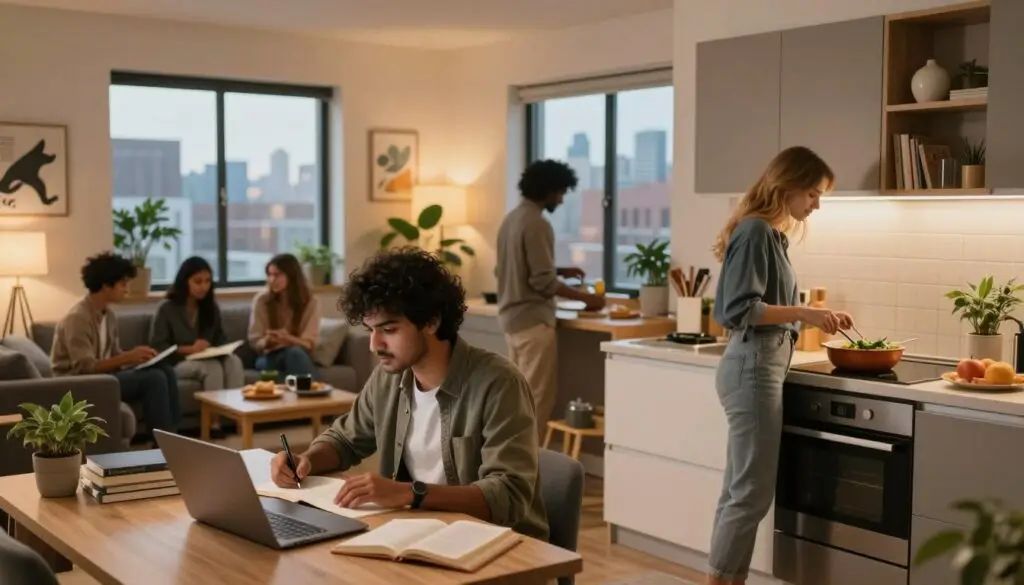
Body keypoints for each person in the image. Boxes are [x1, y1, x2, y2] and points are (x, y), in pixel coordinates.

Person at [269, 247, 549, 541]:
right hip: (421, 535)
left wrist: (409, 493)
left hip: (500, 547)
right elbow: (344, 440)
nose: (374, 345)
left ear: (431, 321)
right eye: (370, 330)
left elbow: (507, 495)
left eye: (388, 329)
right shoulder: (389, 378)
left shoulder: (499, 384)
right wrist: (306, 460)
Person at [706, 146, 855, 585]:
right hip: (753, 365)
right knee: (750, 494)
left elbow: (761, 305)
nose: (816, 204)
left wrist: (808, 312)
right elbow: (738, 309)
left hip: (759, 363)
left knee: (740, 491)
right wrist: (803, 313)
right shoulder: (755, 231)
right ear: (787, 185)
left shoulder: (768, 234)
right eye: (812, 193)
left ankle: (721, 579)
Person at [496, 159, 606, 438]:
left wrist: (560, 270)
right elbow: (542, 281)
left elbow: (510, 268)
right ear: (548, 190)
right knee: (536, 400)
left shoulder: (511, 220)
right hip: (533, 323)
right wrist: (587, 299)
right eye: (560, 191)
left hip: (512, 322)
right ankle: (529, 469)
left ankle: (513, 464)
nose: (561, 198)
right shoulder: (537, 223)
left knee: (518, 400)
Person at [51, 251, 181, 433]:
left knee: (165, 370)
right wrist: (128, 357)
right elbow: (85, 368)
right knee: (154, 379)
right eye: (123, 284)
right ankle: (162, 448)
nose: (127, 289)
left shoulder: (108, 314)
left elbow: (113, 356)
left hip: (102, 377)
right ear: (105, 286)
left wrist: (138, 357)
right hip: (78, 384)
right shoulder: (78, 318)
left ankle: (174, 437)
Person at [150, 256, 245, 391]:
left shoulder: (210, 307)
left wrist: (215, 348)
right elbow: (158, 346)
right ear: (185, 282)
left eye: (207, 282)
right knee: (212, 368)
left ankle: (235, 411)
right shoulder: (166, 308)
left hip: (206, 357)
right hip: (178, 362)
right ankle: (213, 412)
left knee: (234, 362)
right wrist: (189, 349)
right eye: (198, 282)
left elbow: (220, 338)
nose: (204, 287)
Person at [248, 253, 320, 381]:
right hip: (269, 357)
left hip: (298, 355)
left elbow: (309, 343)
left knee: (294, 355)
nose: (272, 280)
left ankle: (301, 392)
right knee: (295, 358)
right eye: (269, 275)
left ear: (291, 276)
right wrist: (269, 340)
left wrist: (287, 339)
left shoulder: (310, 301)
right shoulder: (262, 300)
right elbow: (255, 340)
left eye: (277, 275)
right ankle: (316, 392)